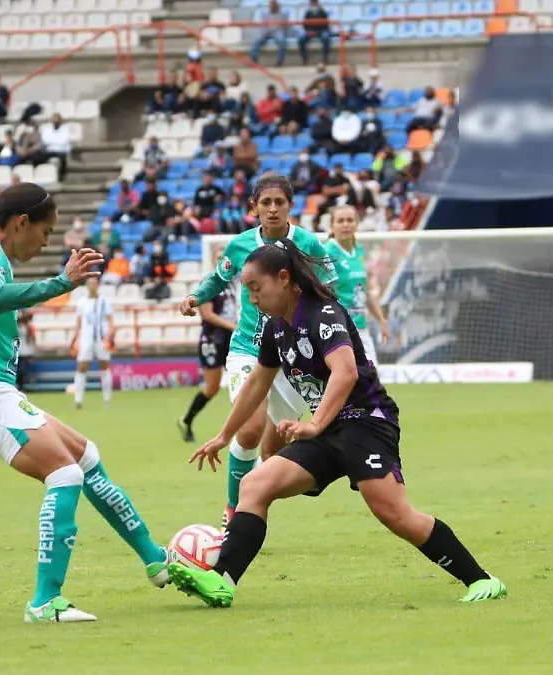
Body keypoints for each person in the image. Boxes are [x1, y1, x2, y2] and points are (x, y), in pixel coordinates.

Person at [172, 241, 507, 607]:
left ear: (283, 278)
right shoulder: (275, 328)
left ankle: (481, 580)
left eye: (256, 287)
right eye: (247, 290)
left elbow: (345, 372)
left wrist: (315, 424)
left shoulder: (324, 313)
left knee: (394, 514)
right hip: (326, 429)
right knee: (254, 484)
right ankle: (222, 582)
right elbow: (256, 385)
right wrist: (224, 436)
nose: (251, 298)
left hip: (366, 422)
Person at [0, 183, 170, 623]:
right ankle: (45, 603)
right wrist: (61, 284)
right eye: (46, 232)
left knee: (85, 457)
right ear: (21, 223)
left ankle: (155, 560)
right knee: (65, 474)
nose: (47, 243)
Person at [178, 173, 337, 527]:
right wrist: (195, 297)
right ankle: (236, 512)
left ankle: (255, 495)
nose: (273, 208)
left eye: (279, 202)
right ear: (254, 208)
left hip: (293, 355)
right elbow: (218, 278)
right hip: (249, 348)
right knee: (249, 428)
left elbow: (330, 289)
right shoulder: (240, 245)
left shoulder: (308, 244)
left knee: (272, 447)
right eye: (266, 202)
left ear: (290, 205)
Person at [324, 205, 389, 364]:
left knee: (372, 373)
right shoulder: (327, 252)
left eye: (349, 220)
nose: (345, 224)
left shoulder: (359, 250)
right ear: (332, 225)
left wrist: (381, 320)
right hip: (338, 328)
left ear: (357, 223)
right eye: (340, 221)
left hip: (360, 327)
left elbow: (363, 291)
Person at [178, 284, 237, 442]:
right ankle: (187, 420)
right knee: (212, 388)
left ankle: (244, 425)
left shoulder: (231, 284)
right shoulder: (211, 284)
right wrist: (234, 326)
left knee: (240, 381)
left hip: (229, 339)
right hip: (212, 340)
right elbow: (207, 314)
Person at [70, 276, 115, 409]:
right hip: (86, 338)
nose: (92, 286)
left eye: (94, 283)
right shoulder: (82, 302)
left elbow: (110, 321)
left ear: (98, 285)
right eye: (89, 283)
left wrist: (111, 336)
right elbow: (78, 323)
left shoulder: (105, 301)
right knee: (82, 366)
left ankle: (107, 399)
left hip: (102, 337)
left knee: (104, 366)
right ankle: (78, 399)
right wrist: (74, 338)